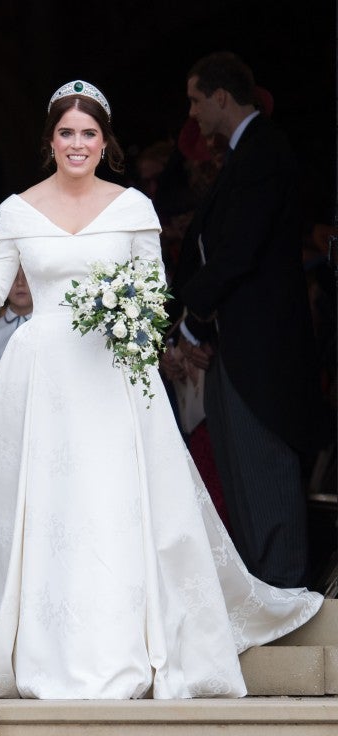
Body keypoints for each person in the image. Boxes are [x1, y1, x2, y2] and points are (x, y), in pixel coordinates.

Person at [0, 80, 322, 699]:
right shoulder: (17, 209)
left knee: (111, 506)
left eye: (88, 133)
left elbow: (152, 299)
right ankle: (35, 647)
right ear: (50, 140)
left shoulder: (132, 208)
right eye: (66, 132)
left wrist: (128, 317)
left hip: (113, 374)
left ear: (104, 142)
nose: (77, 144)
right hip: (38, 375)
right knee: (43, 508)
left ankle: (118, 647)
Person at [175, 52, 325, 589]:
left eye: (195, 99)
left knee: (264, 475)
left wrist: (190, 321)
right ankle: (266, 602)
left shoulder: (265, 150)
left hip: (262, 354)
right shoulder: (240, 158)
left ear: (220, 97)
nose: (191, 112)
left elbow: (239, 251)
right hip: (233, 348)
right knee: (242, 482)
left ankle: (285, 603)